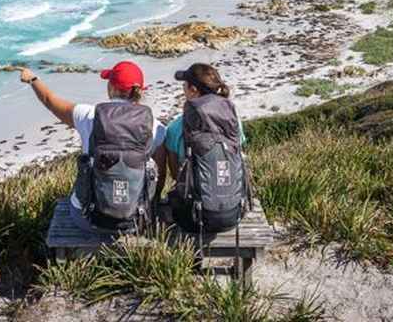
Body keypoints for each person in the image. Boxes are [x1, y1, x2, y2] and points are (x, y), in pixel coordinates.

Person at [20, 61, 166, 235]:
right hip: (134, 220)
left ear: (111, 87)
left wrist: (33, 79)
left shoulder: (88, 115)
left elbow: (49, 101)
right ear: (140, 91)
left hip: (87, 218)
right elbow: (159, 175)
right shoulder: (156, 127)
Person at [165, 63, 249, 234]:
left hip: (193, 217)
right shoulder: (234, 122)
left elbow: (176, 175)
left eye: (184, 85)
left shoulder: (175, 127)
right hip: (234, 213)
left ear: (193, 90)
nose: (183, 89)